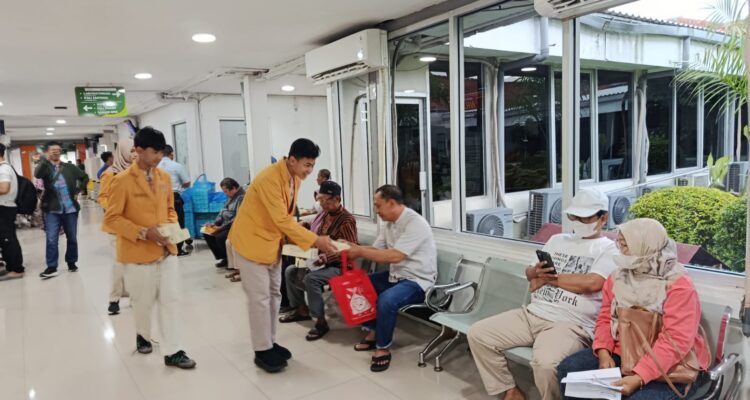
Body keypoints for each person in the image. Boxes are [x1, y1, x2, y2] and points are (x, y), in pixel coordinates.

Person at [466, 189, 618, 400]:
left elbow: (592, 283)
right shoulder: (557, 240)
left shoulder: (609, 249)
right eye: (574, 217)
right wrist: (535, 272)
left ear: (604, 218)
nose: (578, 222)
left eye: (585, 217)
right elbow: (530, 273)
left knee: (545, 364)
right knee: (478, 334)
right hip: (532, 314)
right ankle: (510, 390)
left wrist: (548, 279)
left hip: (570, 324)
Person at [558, 218, 710, 400]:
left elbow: (676, 341)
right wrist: (603, 352)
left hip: (671, 366)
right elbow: (605, 318)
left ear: (644, 246)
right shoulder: (617, 278)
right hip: (625, 353)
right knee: (569, 369)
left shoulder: (678, 285)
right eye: (619, 244)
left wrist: (639, 377)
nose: (620, 250)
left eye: (625, 245)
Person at [228, 138, 336, 373]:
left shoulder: (293, 178)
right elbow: (281, 220)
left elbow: (285, 218)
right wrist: (316, 240)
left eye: (312, 166)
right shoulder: (269, 178)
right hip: (252, 243)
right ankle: (261, 350)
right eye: (307, 165)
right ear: (293, 160)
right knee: (260, 299)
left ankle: (270, 342)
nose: (309, 171)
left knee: (274, 294)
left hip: (271, 244)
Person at [103, 126, 196, 369]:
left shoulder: (164, 178)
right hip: (138, 254)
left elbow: (169, 209)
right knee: (143, 303)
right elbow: (111, 219)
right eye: (155, 152)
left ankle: (173, 351)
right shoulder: (121, 181)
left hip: (166, 250)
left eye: (161, 153)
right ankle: (142, 335)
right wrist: (144, 232)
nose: (159, 157)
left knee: (170, 301)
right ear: (139, 150)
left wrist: (171, 228)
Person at [345, 184, 437, 373]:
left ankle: (383, 348)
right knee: (360, 283)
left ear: (392, 203)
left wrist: (359, 251)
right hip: (396, 276)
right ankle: (373, 331)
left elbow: (395, 256)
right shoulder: (388, 224)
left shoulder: (415, 223)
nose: (376, 210)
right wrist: (351, 247)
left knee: (387, 300)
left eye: (378, 205)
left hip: (418, 281)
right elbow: (376, 250)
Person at [279, 180, 358, 341]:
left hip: (339, 265)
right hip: (317, 260)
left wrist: (326, 258)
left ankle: (320, 321)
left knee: (311, 278)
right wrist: (306, 225)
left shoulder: (346, 220)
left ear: (337, 199)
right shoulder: (324, 213)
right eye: (319, 199)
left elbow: (351, 249)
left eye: (324, 200)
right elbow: (317, 229)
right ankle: (302, 309)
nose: (321, 203)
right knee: (290, 271)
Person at [35, 141, 89, 279]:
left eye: (58, 150)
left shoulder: (69, 167)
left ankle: (71, 262)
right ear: (47, 152)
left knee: (72, 237)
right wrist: (44, 160)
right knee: (51, 239)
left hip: (70, 209)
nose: (56, 152)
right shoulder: (45, 167)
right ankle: (52, 267)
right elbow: (37, 174)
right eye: (52, 150)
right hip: (52, 209)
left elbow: (84, 177)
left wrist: (77, 190)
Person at [98, 139, 137, 315]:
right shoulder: (110, 174)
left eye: (137, 150)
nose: (135, 154)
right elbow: (103, 198)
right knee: (119, 262)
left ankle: (134, 294)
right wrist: (118, 209)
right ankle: (114, 299)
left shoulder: (140, 172)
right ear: (121, 152)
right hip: (117, 226)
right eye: (131, 150)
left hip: (136, 225)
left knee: (135, 262)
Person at [203, 177, 245, 268]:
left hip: (233, 226)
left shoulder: (241, 198)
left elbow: (237, 218)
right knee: (207, 233)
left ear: (233, 188)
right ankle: (224, 257)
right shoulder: (231, 197)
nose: (225, 194)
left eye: (226, 191)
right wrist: (215, 224)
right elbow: (222, 212)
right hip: (224, 225)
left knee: (220, 237)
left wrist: (220, 228)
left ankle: (227, 259)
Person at [158, 144, 191, 256]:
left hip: (158, 198)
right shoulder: (177, 166)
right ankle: (178, 249)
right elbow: (187, 182)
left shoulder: (155, 166)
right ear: (171, 154)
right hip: (174, 197)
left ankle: (165, 248)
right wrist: (180, 185)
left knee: (162, 223)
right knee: (178, 222)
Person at [0, 143, 24, 281]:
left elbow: (4, 189)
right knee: (6, 239)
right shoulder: (5, 168)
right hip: (6, 207)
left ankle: (16, 269)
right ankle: (11, 266)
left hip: (5, 207)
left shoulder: (3, 169)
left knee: (8, 239)